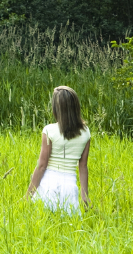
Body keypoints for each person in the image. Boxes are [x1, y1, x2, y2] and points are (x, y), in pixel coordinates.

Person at [26, 85, 91, 213]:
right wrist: (85, 196)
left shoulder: (49, 130)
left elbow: (42, 166)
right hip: (69, 188)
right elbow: (83, 166)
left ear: (57, 109)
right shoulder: (86, 132)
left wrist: (28, 195)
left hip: (48, 185)